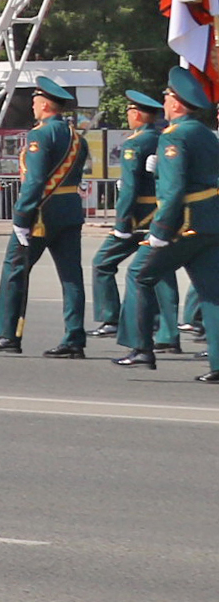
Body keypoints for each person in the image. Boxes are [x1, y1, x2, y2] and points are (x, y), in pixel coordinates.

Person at [111, 70, 219, 377]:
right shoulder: (205, 134)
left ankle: (141, 348)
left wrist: (159, 232)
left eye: (167, 97)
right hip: (211, 223)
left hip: (184, 225)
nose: (165, 102)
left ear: (178, 103)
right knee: (212, 293)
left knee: (138, 275)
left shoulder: (174, 136)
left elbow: (172, 191)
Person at [0, 83, 85, 355]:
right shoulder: (77, 138)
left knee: (15, 271)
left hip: (42, 214)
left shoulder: (40, 135)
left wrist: (20, 216)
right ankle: (74, 338)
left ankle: (9, 334)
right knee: (71, 277)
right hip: (70, 211)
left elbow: (35, 180)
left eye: (35, 100)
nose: (32, 105)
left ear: (44, 104)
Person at [89, 93, 163, 341]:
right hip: (160, 214)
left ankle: (110, 317)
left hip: (137, 218)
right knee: (153, 271)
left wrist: (121, 222)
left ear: (138, 114)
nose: (128, 116)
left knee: (102, 263)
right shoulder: (161, 138)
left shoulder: (135, 143)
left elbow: (130, 188)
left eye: (130, 111)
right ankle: (154, 320)